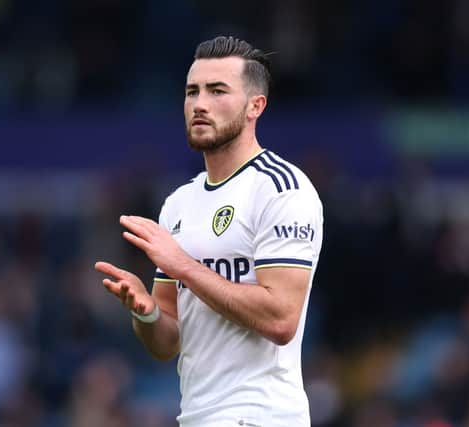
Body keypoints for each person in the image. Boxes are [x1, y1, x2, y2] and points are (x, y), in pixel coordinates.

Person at [95, 35, 323, 427]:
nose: (199, 104)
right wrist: (146, 314)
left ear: (256, 106)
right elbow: (168, 343)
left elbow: (281, 320)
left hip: (262, 417)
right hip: (197, 417)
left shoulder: (281, 188)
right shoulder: (179, 203)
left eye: (217, 91)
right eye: (192, 92)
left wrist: (183, 266)